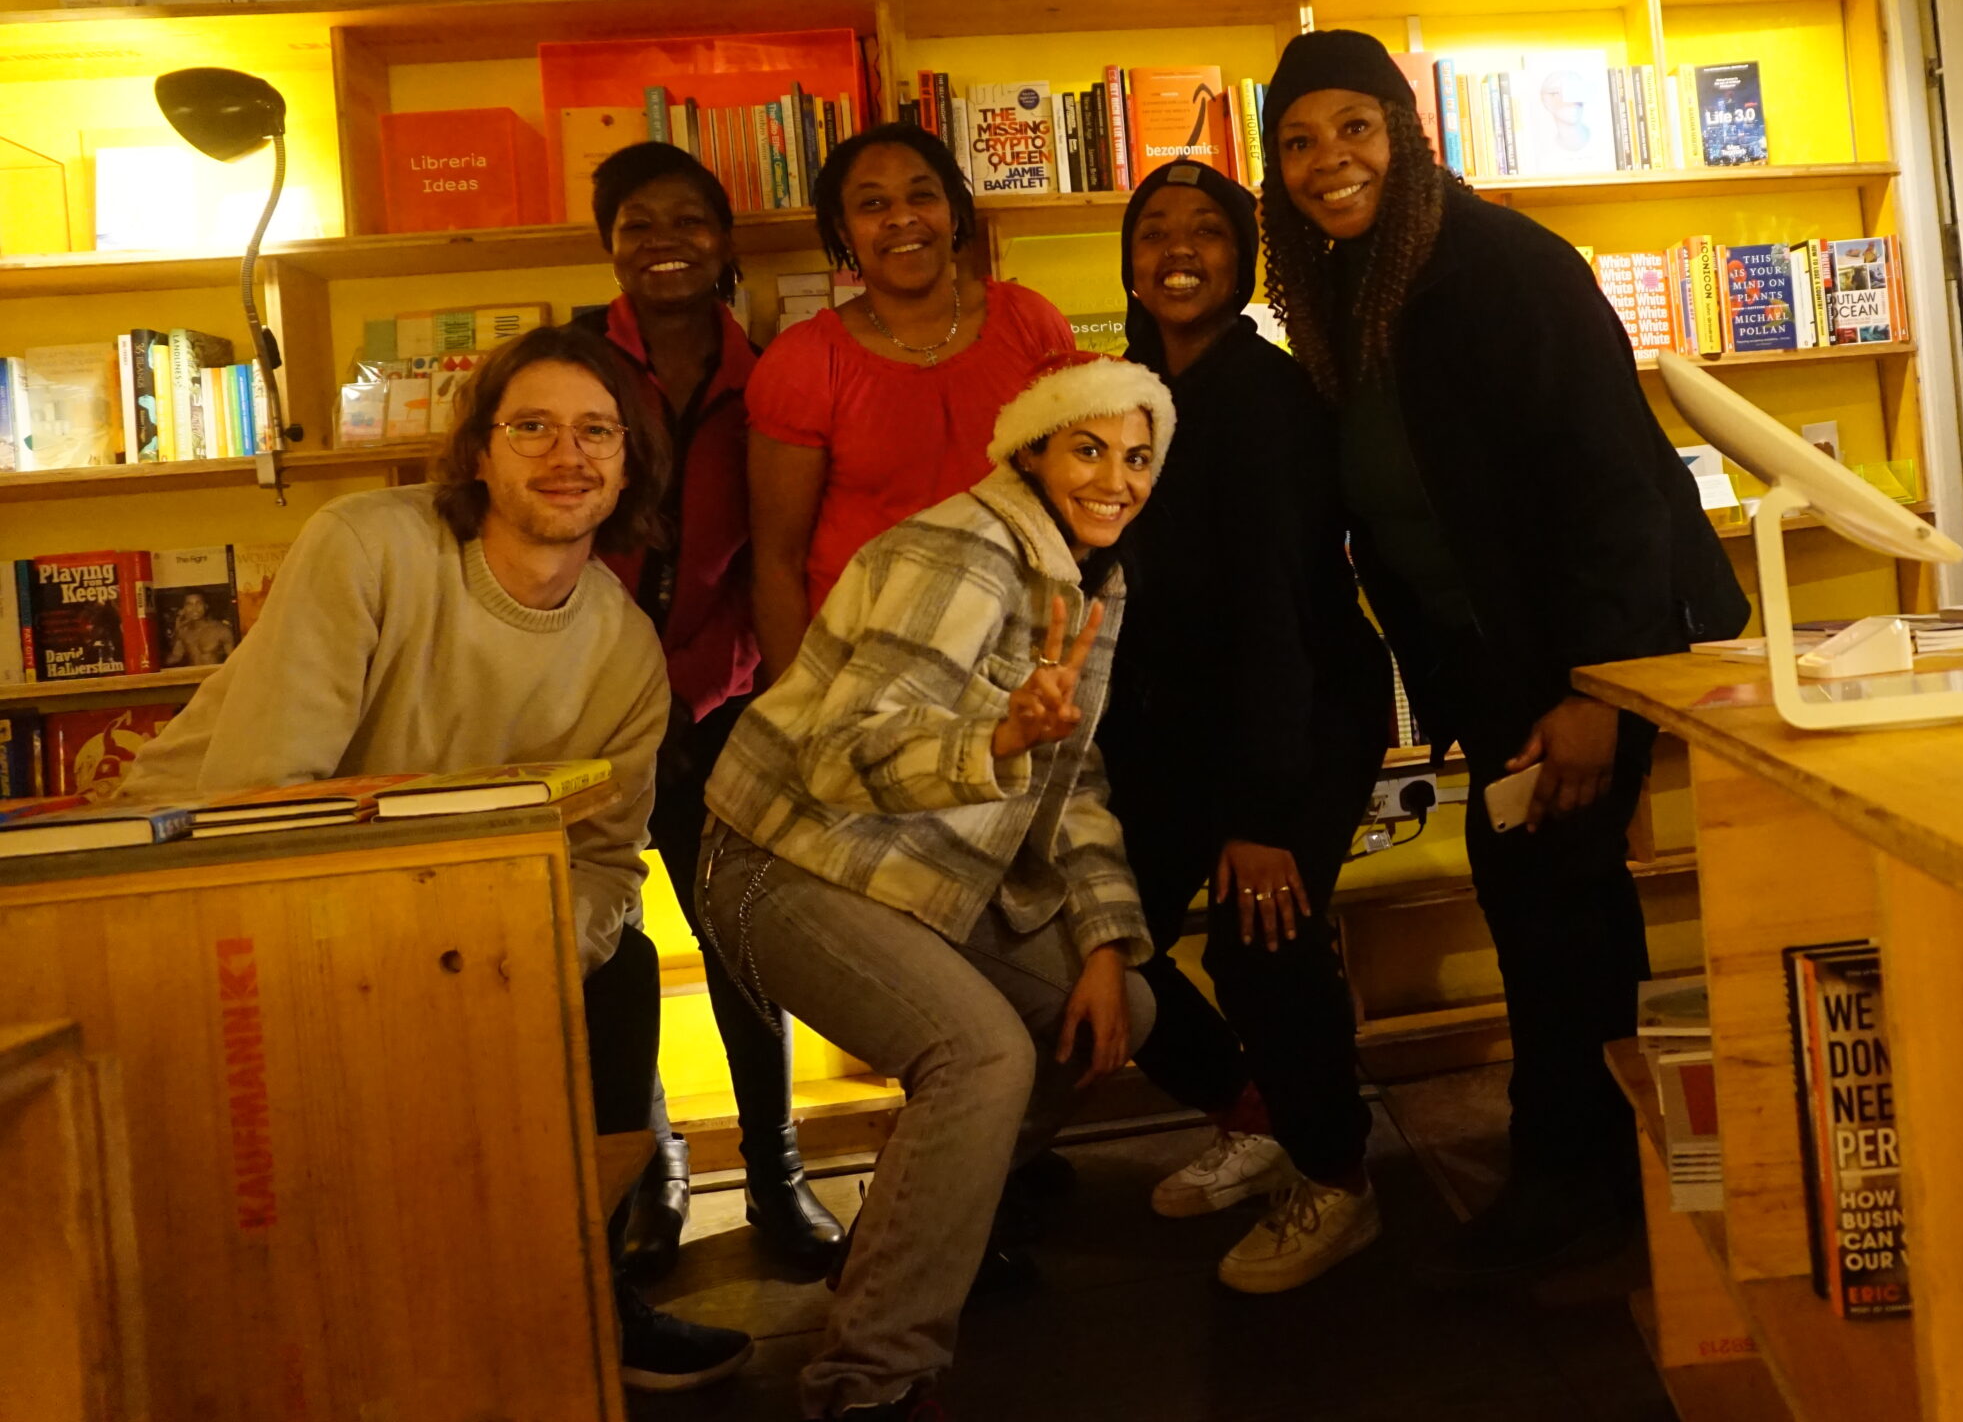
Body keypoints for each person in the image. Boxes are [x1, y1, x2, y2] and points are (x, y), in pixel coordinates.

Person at [113, 325, 754, 1393]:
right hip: (209, 877)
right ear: (479, 453)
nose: (567, 454)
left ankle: (584, 1292)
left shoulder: (625, 654)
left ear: (629, 465)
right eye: (532, 426)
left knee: (622, 969)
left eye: (597, 432)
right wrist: (427, 953)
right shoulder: (367, 545)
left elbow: (605, 866)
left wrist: (508, 953)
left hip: (449, 917)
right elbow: (262, 799)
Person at [1256, 30, 1751, 1284]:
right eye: (1298, 142)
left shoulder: (1503, 266)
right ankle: (1597, 1166)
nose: (1329, 159)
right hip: (1491, 658)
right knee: (1545, 898)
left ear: (1403, 132)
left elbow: (1609, 490)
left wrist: (1593, 693)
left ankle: (1574, 1182)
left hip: (1577, 654)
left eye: (1354, 127)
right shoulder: (1359, 285)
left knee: (1557, 905)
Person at [697, 354, 1170, 1421]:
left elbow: (1075, 784)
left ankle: (900, 1243)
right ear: (1031, 453)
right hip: (780, 855)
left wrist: (1103, 944)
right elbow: (840, 755)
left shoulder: (1090, 579)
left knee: (1117, 1010)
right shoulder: (963, 552)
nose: (1116, 480)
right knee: (981, 1055)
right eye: (1088, 449)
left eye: (1139, 458)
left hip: (905, 866)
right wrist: (996, 737)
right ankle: (870, 1384)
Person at [1100, 161, 1394, 1293]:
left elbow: (1277, 610)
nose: (1178, 249)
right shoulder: (1121, 395)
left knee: (1260, 938)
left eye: (1206, 230)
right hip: (1173, 719)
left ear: (1244, 258)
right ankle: (1254, 1107)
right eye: (1154, 231)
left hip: (1299, 710)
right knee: (1097, 927)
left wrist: (1263, 814)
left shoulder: (1266, 398)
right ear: (1129, 263)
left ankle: (1337, 1175)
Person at [572, 143, 844, 1281]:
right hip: (579, 709)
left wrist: (724, 689)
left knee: (740, 939)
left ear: (725, 240)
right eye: (638, 223)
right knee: (603, 949)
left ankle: (776, 1173)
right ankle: (652, 1171)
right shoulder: (570, 367)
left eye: (688, 219)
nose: (665, 241)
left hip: (720, 701)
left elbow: (776, 555)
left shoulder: (771, 376)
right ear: (609, 246)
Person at [748, 121, 1077, 682]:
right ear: (844, 230)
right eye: (873, 204)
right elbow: (778, 564)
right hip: (862, 675)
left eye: (922, 195)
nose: (902, 218)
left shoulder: (1031, 322)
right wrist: (795, 710)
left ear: (954, 212)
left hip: (1016, 667)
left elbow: (1072, 504)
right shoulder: (802, 361)